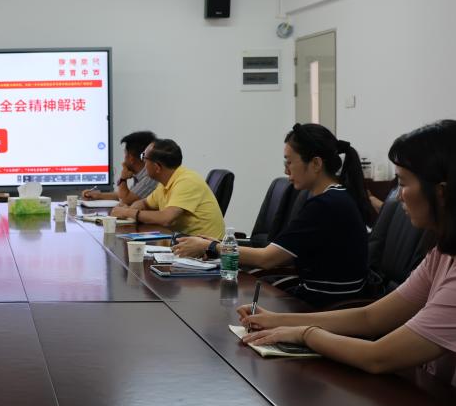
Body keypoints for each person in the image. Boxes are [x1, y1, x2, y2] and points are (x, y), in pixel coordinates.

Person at [239, 120, 456, 386]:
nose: (398, 196)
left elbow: (378, 357)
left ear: (441, 192)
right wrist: (275, 320)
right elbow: (370, 317)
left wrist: (305, 334)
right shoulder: (441, 254)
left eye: (402, 183)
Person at [174, 124, 373, 305]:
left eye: (289, 162)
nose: (286, 171)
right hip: (321, 296)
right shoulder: (335, 197)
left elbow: (267, 259)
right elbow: (282, 254)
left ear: (315, 164)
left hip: (323, 306)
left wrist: (210, 246)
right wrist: (217, 246)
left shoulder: (325, 205)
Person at [111, 139, 224, 239]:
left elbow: (167, 218)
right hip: (185, 242)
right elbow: (144, 203)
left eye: (145, 160)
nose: (144, 165)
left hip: (205, 249)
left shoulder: (186, 181)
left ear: (157, 167)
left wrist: (128, 212)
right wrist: (128, 210)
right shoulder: (165, 182)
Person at [82, 130, 158, 205]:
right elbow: (125, 195)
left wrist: (123, 179)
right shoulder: (142, 175)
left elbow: (125, 200)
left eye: (125, 154)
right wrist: (99, 195)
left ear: (131, 158)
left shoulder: (150, 177)